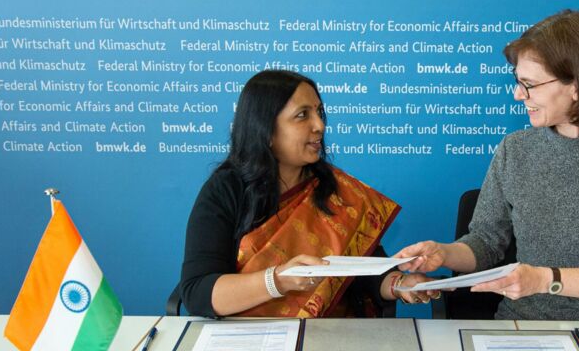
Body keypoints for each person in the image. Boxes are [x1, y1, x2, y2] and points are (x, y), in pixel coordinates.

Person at [398, 10, 579, 321]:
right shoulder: (515, 150)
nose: (518, 95)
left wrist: (544, 279)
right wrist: (444, 253)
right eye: (517, 81)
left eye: (530, 84)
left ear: (577, 85)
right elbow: (486, 243)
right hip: (520, 327)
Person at [181, 70, 436, 318]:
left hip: (333, 337)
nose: (320, 125)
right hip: (250, 338)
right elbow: (198, 292)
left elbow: (363, 274)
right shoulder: (225, 190)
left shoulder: (336, 189)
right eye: (303, 115)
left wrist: (400, 284)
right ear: (266, 130)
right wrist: (277, 281)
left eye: (319, 113)